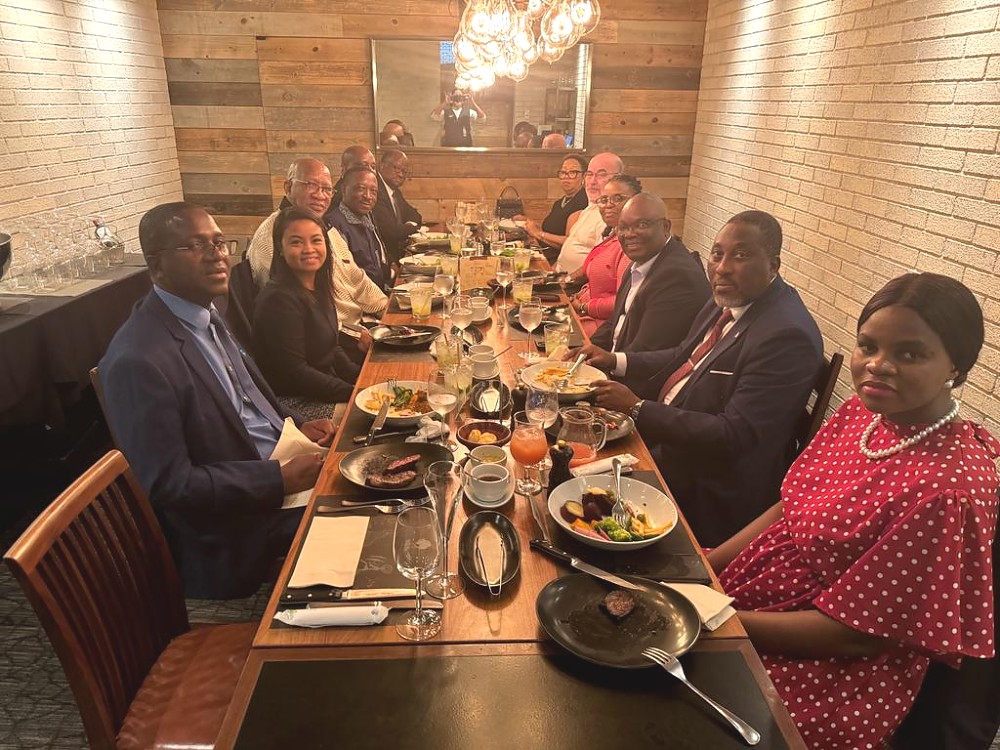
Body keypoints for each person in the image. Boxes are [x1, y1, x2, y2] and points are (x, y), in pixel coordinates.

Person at [707, 273, 999, 750]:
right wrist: (705, 568)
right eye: (868, 346)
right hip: (746, 600)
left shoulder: (947, 490)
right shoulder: (863, 414)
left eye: (910, 354)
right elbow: (790, 507)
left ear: (956, 366)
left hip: (828, 669)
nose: (877, 366)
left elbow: (858, 635)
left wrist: (718, 622)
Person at [99, 202, 335, 600]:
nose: (216, 255)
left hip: (274, 460)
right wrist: (276, 479)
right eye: (194, 246)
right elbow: (170, 486)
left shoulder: (205, 313)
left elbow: (248, 398)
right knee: (365, 509)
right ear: (155, 265)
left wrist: (295, 423)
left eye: (219, 242)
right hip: (235, 524)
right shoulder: (138, 361)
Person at [580, 210, 822, 545]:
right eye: (717, 254)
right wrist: (615, 360)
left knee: (575, 485)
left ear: (773, 266)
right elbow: (682, 355)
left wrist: (638, 409)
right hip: (670, 441)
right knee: (569, 437)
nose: (722, 267)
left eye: (741, 255)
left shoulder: (786, 336)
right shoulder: (729, 298)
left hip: (707, 482)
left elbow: (734, 435)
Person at [246, 158, 386, 343]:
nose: (320, 196)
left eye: (327, 189)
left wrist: (387, 308)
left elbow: (357, 279)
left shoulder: (324, 228)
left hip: (359, 327)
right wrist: (357, 338)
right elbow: (302, 315)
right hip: (335, 340)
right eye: (311, 185)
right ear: (288, 187)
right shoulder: (273, 236)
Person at [253, 208, 360, 420]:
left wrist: (360, 377)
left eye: (316, 240)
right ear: (280, 248)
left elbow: (332, 347)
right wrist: (354, 393)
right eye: (296, 242)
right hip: (296, 404)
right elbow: (295, 372)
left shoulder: (318, 286)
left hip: (321, 390)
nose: (309, 249)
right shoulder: (278, 300)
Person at [587, 193, 710, 353]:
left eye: (642, 225)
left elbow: (646, 349)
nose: (629, 234)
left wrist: (604, 361)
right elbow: (617, 321)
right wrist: (587, 348)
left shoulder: (677, 276)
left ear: (665, 227)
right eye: (623, 227)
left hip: (640, 367)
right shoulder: (640, 262)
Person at [567, 174, 642, 336]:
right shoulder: (613, 235)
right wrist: (563, 280)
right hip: (581, 312)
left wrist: (584, 307)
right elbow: (588, 270)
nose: (608, 205)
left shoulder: (631, 245)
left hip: (600, 328)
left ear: (636, 202)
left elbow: (623, 301)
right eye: (604, 200)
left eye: (618, 198)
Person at [556, 151, 623, 273]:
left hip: (574, 283)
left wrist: (565, 280)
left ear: (618, 179)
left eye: (601, 175)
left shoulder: (610, 216)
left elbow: (599, 265)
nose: (592, 182)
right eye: (589, 174)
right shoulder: (590, 209)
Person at [328, 164, 391, 291]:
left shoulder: (366, 216)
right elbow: (344, 279)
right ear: (344, 190)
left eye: (373, 191)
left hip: (379, 291)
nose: (368, 196)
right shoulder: (334, 224)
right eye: (361, 189)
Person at [523, 154, 588, 264]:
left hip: (560, 262)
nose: (566, 176)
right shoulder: (560, 202)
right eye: (563, 172)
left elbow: (569, 242)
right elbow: (552, 229)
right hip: (545, 256)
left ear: (584, 176)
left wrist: (538, 233)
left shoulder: (583, 201)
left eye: (572, 172)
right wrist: (528, 222)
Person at [371, 149, 423, 266]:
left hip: (398, 255)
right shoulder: (375, 190)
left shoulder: (394, 191)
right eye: (397, 168)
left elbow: (416, 215)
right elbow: (392, 232)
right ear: (382, 166)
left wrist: (406, 226)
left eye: (404, 171)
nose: (401, 175)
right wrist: (411, 226)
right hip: (385, 261)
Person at [329, 145, 376, 212]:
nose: (370, 170)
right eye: (363, 165)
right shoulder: (339, 199)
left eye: (373, 167)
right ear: (344, 169)